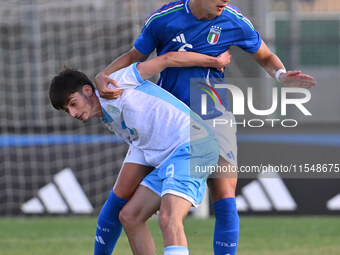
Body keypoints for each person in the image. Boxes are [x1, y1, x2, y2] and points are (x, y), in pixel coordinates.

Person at [95, 1, 317, 254]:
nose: (224, 1)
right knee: (122, 195)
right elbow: (135, 58)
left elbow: (265, 56)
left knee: (223, 194)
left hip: (212, 117)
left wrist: (281, 76)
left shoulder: (233, 19)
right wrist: (104, 75)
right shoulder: (164, 19)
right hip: (165, 121)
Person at [49, 50, 231, 255]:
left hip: (193, 144)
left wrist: (214, 61)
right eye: (67, 110)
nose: (73, 113)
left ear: (87, 90)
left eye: (72, 103)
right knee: (130, 216)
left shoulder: (116, 82)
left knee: (169, 219)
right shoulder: (109, 118)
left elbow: (166, 59)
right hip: (169, 157)